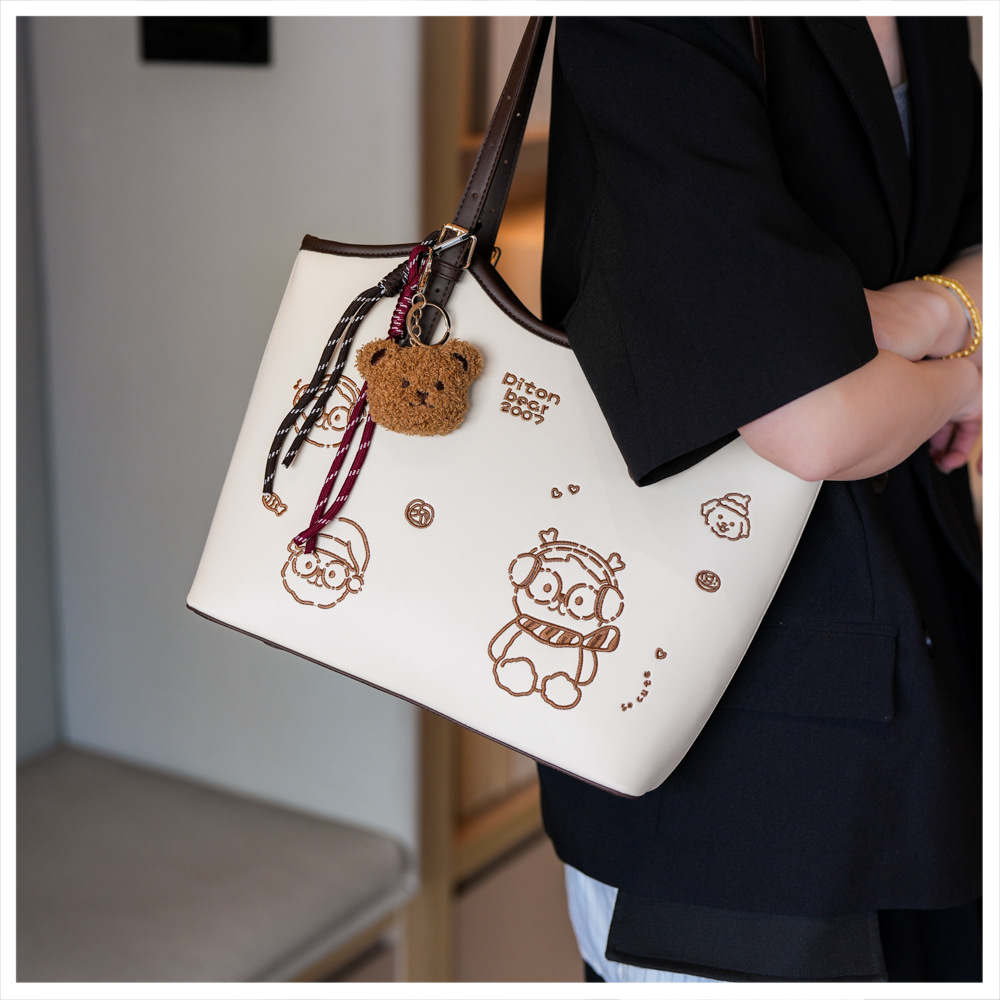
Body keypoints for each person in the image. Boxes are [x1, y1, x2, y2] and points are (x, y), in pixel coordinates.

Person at [539, 15, 982, 983]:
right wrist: (969, 366)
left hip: (928, 667)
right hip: (730, 732)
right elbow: (814, 422)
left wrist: (930, 313)